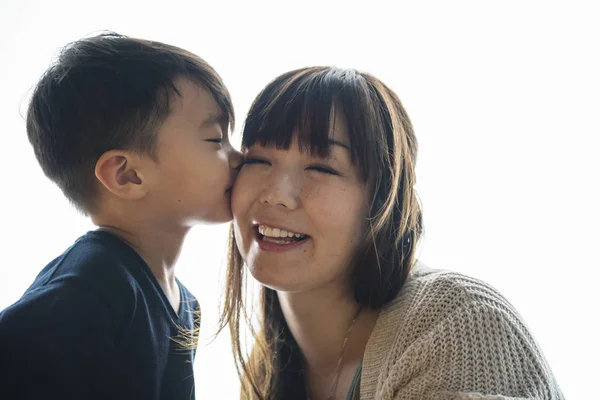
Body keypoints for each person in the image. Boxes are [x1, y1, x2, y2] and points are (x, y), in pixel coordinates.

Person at [220, 66, 564, 399]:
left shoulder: (455, 323)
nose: (275, 194)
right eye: (258, 160)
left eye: (321, 167)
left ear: (382, 202)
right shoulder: (266, 367)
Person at [0, 32, 242, 400]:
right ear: (127, 175)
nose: (239, 158)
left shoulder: (184, 302)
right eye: (215, 140)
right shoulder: (88, 293)